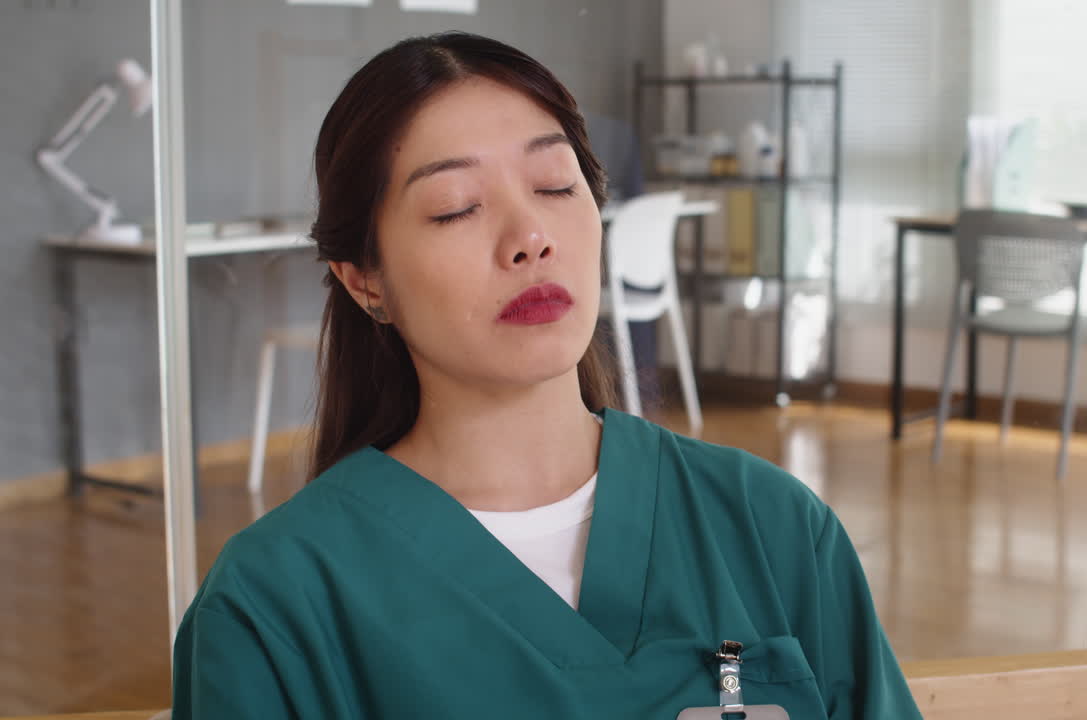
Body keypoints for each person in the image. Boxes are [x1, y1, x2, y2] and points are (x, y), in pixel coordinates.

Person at [171, 32, 920, 719]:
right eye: (456, 207)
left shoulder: (772, 527)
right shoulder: (272, 607)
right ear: (365, 279)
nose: (529, 237)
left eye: (557, 186)